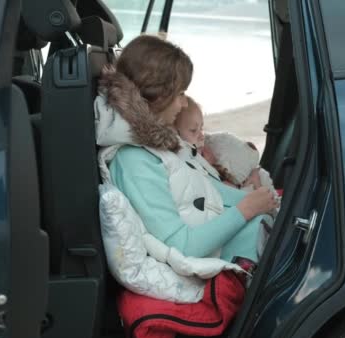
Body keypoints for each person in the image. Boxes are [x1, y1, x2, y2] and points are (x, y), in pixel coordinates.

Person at [95, 35, 278, 263]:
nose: (184, 103)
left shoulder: (162, 141)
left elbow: (206, 190)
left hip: (250, 240)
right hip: (234, 258)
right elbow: (182, 245)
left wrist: (258, 200)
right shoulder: (134, 162)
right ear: (157, 95)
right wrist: (246, 209)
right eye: (180, 94)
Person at [174, 96, 264, 190]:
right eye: (193, 130)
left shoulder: (205, 153)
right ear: (174, 133)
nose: (201, 136)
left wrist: (212, 165)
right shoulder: (184, 164)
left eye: (201, 128)